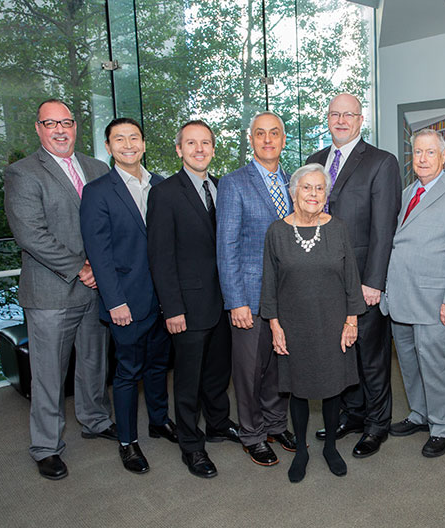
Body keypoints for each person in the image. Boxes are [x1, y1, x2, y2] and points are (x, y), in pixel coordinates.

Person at [4, 98, 116, 481]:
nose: (59, 129)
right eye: (50, 123)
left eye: (66, 122)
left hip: (96, 288)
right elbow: (30, 234)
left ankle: (95, 420)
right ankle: (46, 447)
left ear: (75, 126)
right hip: (51, 292)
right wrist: (82, 268)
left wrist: (104, 270)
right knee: (50, 373)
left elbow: (109, 225)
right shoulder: (22, 173)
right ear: (38, 128)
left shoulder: (97, 168)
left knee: (93, 362)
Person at [305, 93, 401, 458]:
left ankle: (377, 424)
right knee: (341, 352)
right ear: (327, 119)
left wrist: (374, 281)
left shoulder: (381, 162)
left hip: (363, 278)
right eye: (335, 114)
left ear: (361, 121)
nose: (341, 120)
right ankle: (353, 414)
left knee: (371, 355)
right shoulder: (315, 161)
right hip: (324, 279)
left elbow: (383, 228)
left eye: (349, 115)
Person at [80, 118, 176, 475]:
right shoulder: (98, 191)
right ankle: (127, 441)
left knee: (157, 367)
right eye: (119, 139)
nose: (128, 144)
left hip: (163, 299)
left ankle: (159, 421)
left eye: (134, 137)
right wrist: (114, 301)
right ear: (108, 147)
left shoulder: (162, 186)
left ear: (144, 144)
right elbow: (99, 253)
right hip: (126, 301)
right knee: (127, 373)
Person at [261, 163, 367, 483]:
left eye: (320, 188)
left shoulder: (338, 229)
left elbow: (351, 278)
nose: (313, 194)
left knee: (333, 388)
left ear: (327, 195)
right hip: (294, 325)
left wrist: (351, 321)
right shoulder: (277, 232)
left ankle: (331, 447)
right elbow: (269, 284)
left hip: (333, 322)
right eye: (306, 187)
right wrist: (275, 326)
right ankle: (303, 451)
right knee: (299, 389)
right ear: (293, 192)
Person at [147, 120, 239, 479]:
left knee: (218, 374)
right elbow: (160, 256)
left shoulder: (221, 186)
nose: (199, 149)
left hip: (223, 302)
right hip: (187, 306)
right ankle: (191, 444)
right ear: (179, 149)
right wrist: (172, 308)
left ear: (213, 148)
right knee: (187, 381)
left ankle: (217, 424)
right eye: (191, 143)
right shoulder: (165, 193)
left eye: (205, 143)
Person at [380, 128, 445, 458]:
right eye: (417, 152)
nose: (422, 159)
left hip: (436, 302)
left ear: (444, 156)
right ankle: (420, 415)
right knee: (409, 362)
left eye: (430, 152)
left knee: (436, 365)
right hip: (401, 298)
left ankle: (442, 427)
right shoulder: (407, 193)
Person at [217, 111, 296, 467]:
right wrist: (235, 301)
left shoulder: (295, 182)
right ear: (251, 140)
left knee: (281, 365)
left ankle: (276, 424)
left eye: (274, 133)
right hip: (249, 296)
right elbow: (226, 246)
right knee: (249, 370)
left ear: (283, 139)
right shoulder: (234, 184)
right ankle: (251, 433)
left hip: (289, 297)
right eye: (260, 134)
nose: (268, 140)